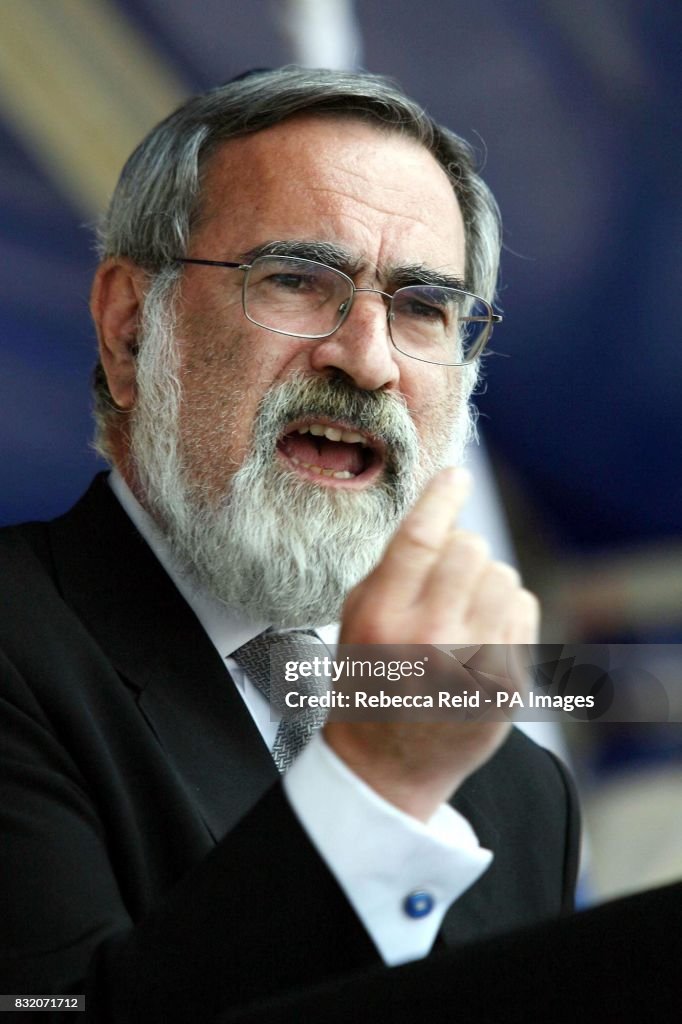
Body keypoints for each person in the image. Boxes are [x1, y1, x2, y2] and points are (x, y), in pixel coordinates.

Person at [0, 68, 578, 1022]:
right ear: (129, 331)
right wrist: (375, 795)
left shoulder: (517, 789)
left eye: (425, 306)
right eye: (298, 281)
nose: (369, 356)